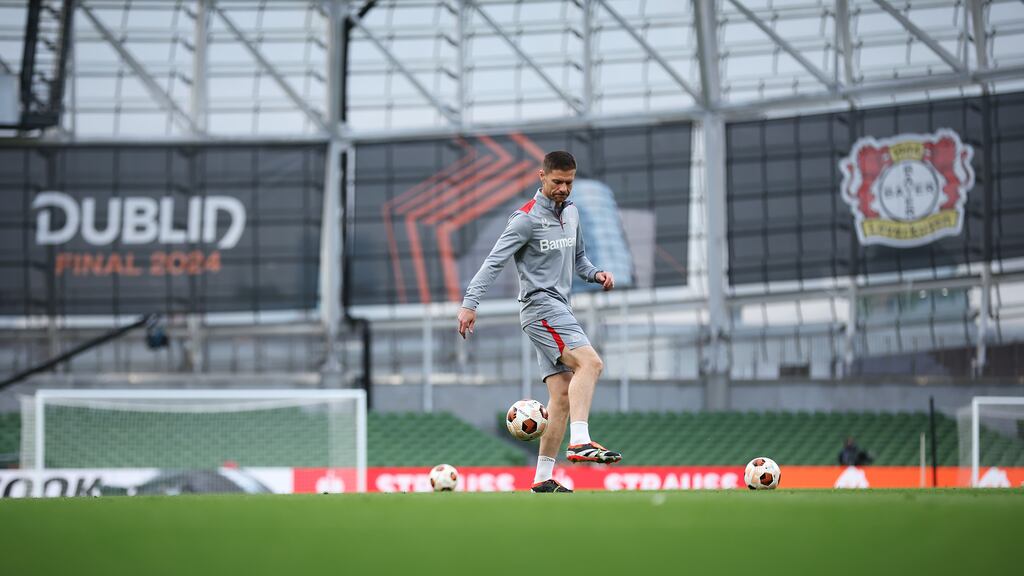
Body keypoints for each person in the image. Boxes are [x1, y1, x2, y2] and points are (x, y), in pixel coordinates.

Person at [457, 150, 621, 493]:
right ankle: (580, 441)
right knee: (591, 363)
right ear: (541, 176)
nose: (563, 188)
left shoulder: (573, 213)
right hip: (540, 308)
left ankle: (543, 478)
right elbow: (493, 262)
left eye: (569, 182)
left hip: (560, 308)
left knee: (560, 395)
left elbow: (579, 261)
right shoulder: (525, 219)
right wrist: (470, 303)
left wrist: (596, 275)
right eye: (558, 181)